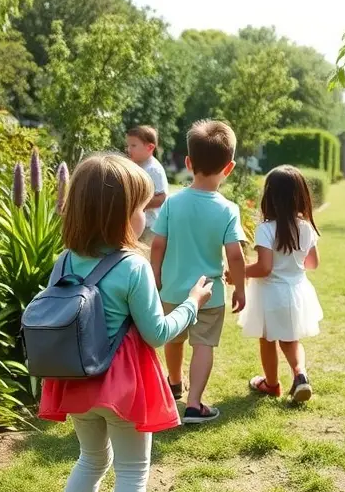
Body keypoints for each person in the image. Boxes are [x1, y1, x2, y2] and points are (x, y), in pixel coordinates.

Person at [40, 153, 212, 492]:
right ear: (119, 214)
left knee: (90, 462)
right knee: (133, 471)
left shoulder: (64, 261)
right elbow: (156, 333)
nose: (144, 216)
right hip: (122, 386)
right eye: (139, 208)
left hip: (75, 380)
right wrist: (192, 303)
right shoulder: (131, 266)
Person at [151, 120, 246, 423]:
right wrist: (240, 289)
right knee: (203, 344)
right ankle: (194, 403)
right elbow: (235, 255)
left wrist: (155, 277)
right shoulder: (228, 209)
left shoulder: (171, 203)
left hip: (172, 287)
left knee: (173, 338)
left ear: (189, 163)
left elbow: (157, 246)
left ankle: (174, 382)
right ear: (228, 168)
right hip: (209, 293)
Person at [238, 165, 322, 403]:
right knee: (291, 339)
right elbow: (313, 263)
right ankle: (300, 375)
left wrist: (238, 271)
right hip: (296, 292)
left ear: (270, 197)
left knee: (267, 339)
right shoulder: (305, 227)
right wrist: (292, 266)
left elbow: (264, 268)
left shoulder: (266, 229)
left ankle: (271, 384)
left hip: (270, 294)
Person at [126, 126, 168, 245]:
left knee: (146, 254)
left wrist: (137, 206)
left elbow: (162, 198)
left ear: (150, 147)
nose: (129, 149)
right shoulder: (134, 166)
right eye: (128, 145)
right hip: (135, 223)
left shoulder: (153, 169)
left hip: (150, 226)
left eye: (133, 146)